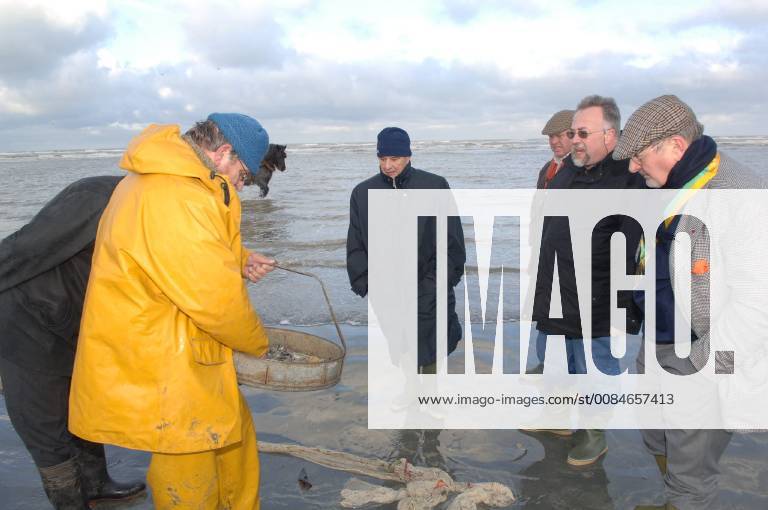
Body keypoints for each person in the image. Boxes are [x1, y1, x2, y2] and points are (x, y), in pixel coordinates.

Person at [68, 113, 276, 509]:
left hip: (180, 345)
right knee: (189, 467)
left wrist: (240, 259)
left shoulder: (169, 181)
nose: (240, 185)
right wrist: (261, 345)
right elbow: (215, 302)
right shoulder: (177, 195)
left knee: (236, 438)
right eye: (243, 175)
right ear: (223, 153)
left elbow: (188, 255)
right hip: (167, 359)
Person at [614, 94, 767, 510]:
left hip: (702, 352)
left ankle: (682, 501)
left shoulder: (744, 196)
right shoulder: (671, 184)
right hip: (659, 341)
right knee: (655, 433)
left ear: (676, 146)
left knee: (692, 470)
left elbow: (759, 305)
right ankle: (673, 498)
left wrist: (706, 364)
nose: (631, 166)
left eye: (638, 155)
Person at [0, 177, 146, 509]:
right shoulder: (99, 197)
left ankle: (96, 483)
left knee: (84, 406)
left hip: (78, 322)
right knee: (42, 422)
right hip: (26, 318)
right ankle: (70, 502)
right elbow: (23, 249)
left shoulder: (166, 211)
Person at [529, 95, 645, 465]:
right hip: (557, 291)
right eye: (572, 132)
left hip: (597, 299)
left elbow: (634, 247)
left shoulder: (628, 177)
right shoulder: (568, 170)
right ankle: (561, 420)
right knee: (557, 361)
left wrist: (622, 305)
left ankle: (594, 435)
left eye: (582, 132)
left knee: (595, 370)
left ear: (610, 135)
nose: (574, 138)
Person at [346, 126, 466, 374]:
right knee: (401, 346)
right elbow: (356, 244)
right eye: (382, 158)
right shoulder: (362, 193)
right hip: (389, 291)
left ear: (408, 156)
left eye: (394, 158)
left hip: (430, 287)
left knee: (432, 345)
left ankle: (430, 400)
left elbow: (452, 242)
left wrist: (433, 285)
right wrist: (368, 283)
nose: (388, 165)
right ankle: (410, 394)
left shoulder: (434, 186)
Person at [536, 109, 574, 189]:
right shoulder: (546, 168)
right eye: (551, 136)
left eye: (559, 136)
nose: (553, 142)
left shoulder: (584, 170)